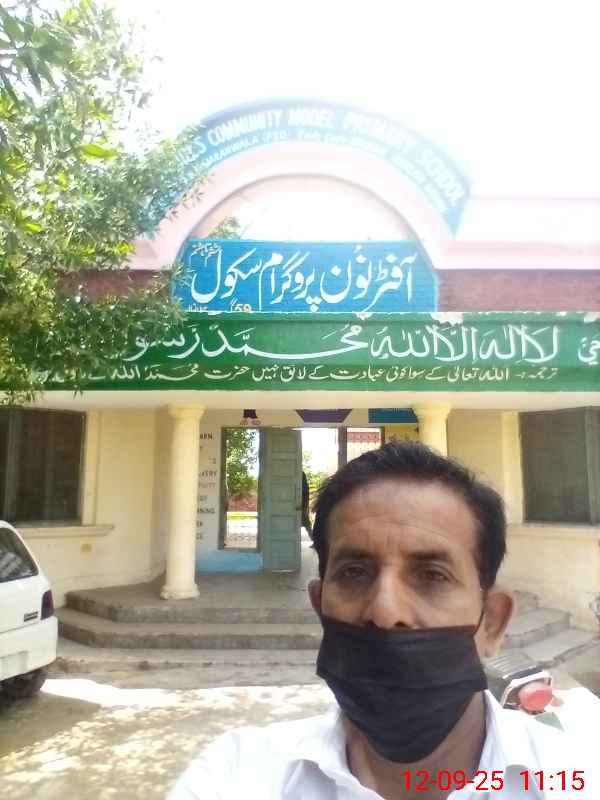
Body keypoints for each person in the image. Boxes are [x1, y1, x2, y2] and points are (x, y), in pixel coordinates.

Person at [167, 441, 596, 799]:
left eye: (432, 575)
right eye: (355, 572)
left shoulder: (576, 776)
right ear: (320, 607)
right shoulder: (237, 776)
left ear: (492, 623)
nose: (386, 610)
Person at [301, 469, 313, 537]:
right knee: (307, 524)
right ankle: (313, 538)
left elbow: (306, 496)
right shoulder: (305, 486)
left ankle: (314, 538)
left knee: (306, 523)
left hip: (302, 507)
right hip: (303, 506)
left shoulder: (303, 486)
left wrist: (305, 507)